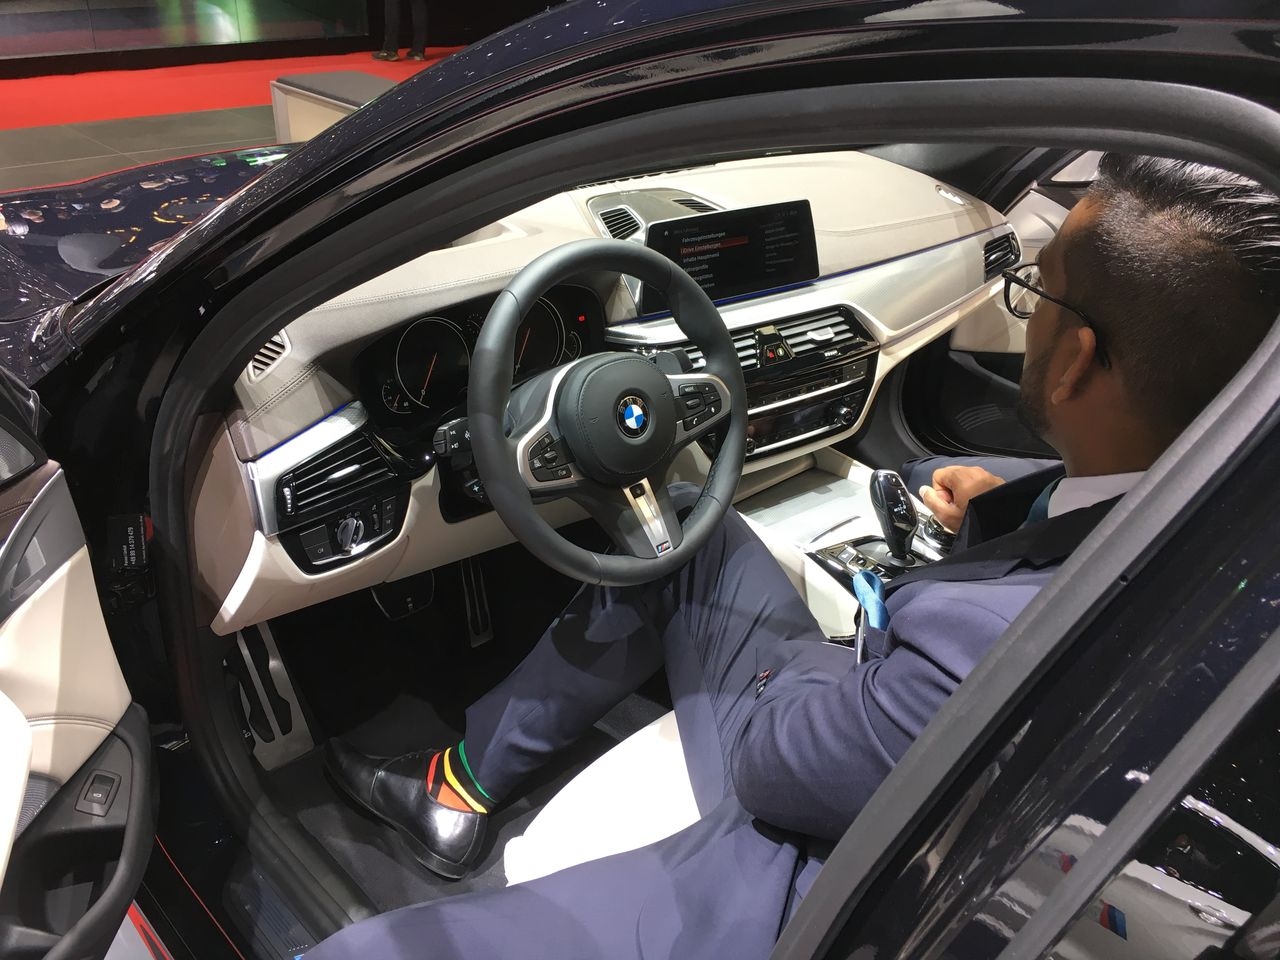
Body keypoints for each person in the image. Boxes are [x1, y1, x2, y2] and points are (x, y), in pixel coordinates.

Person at [311, 154, 1279, 960]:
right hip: (917, 775)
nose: (1026, 313)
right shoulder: (1228, 519)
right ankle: (460, 784)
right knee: (684, 527)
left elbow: (777, 766)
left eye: (1036, 295)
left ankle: (458, 791)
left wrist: (824, 664)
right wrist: (1004, 500)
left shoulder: (970, 646)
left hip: (803, 880)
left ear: (1073, 362)